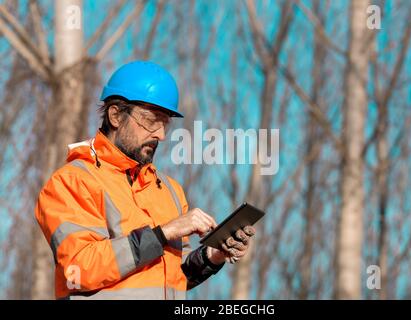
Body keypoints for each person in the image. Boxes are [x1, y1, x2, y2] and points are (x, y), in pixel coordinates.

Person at [35, 61, 256, 299]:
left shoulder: (169, 190)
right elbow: (78, 270)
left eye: (165, 124)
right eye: (151, 120)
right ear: (116, 116)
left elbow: (175, 278)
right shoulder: (73, 181)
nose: (160, 135)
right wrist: (164, 232)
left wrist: (212, 255)